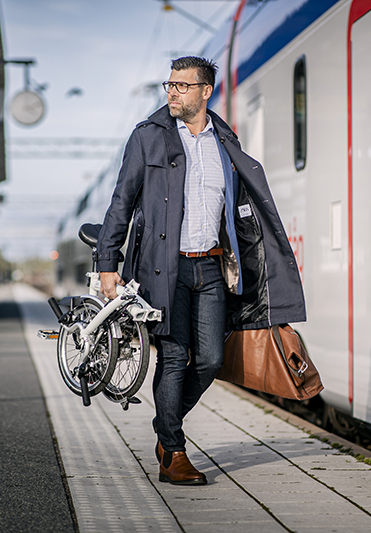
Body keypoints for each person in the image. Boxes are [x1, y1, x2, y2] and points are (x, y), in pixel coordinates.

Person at [96, 56, 306, 485]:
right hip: (162, 268)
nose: (172, 92)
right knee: (173, 356)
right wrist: (107, 265)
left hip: (210, 266)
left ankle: (164, 429)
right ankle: (173, 451)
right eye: (169, 84)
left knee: (210, 359)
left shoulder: (224, 141)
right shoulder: (147, 137)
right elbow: (121, 202)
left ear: (205, 92)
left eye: (182, 85)